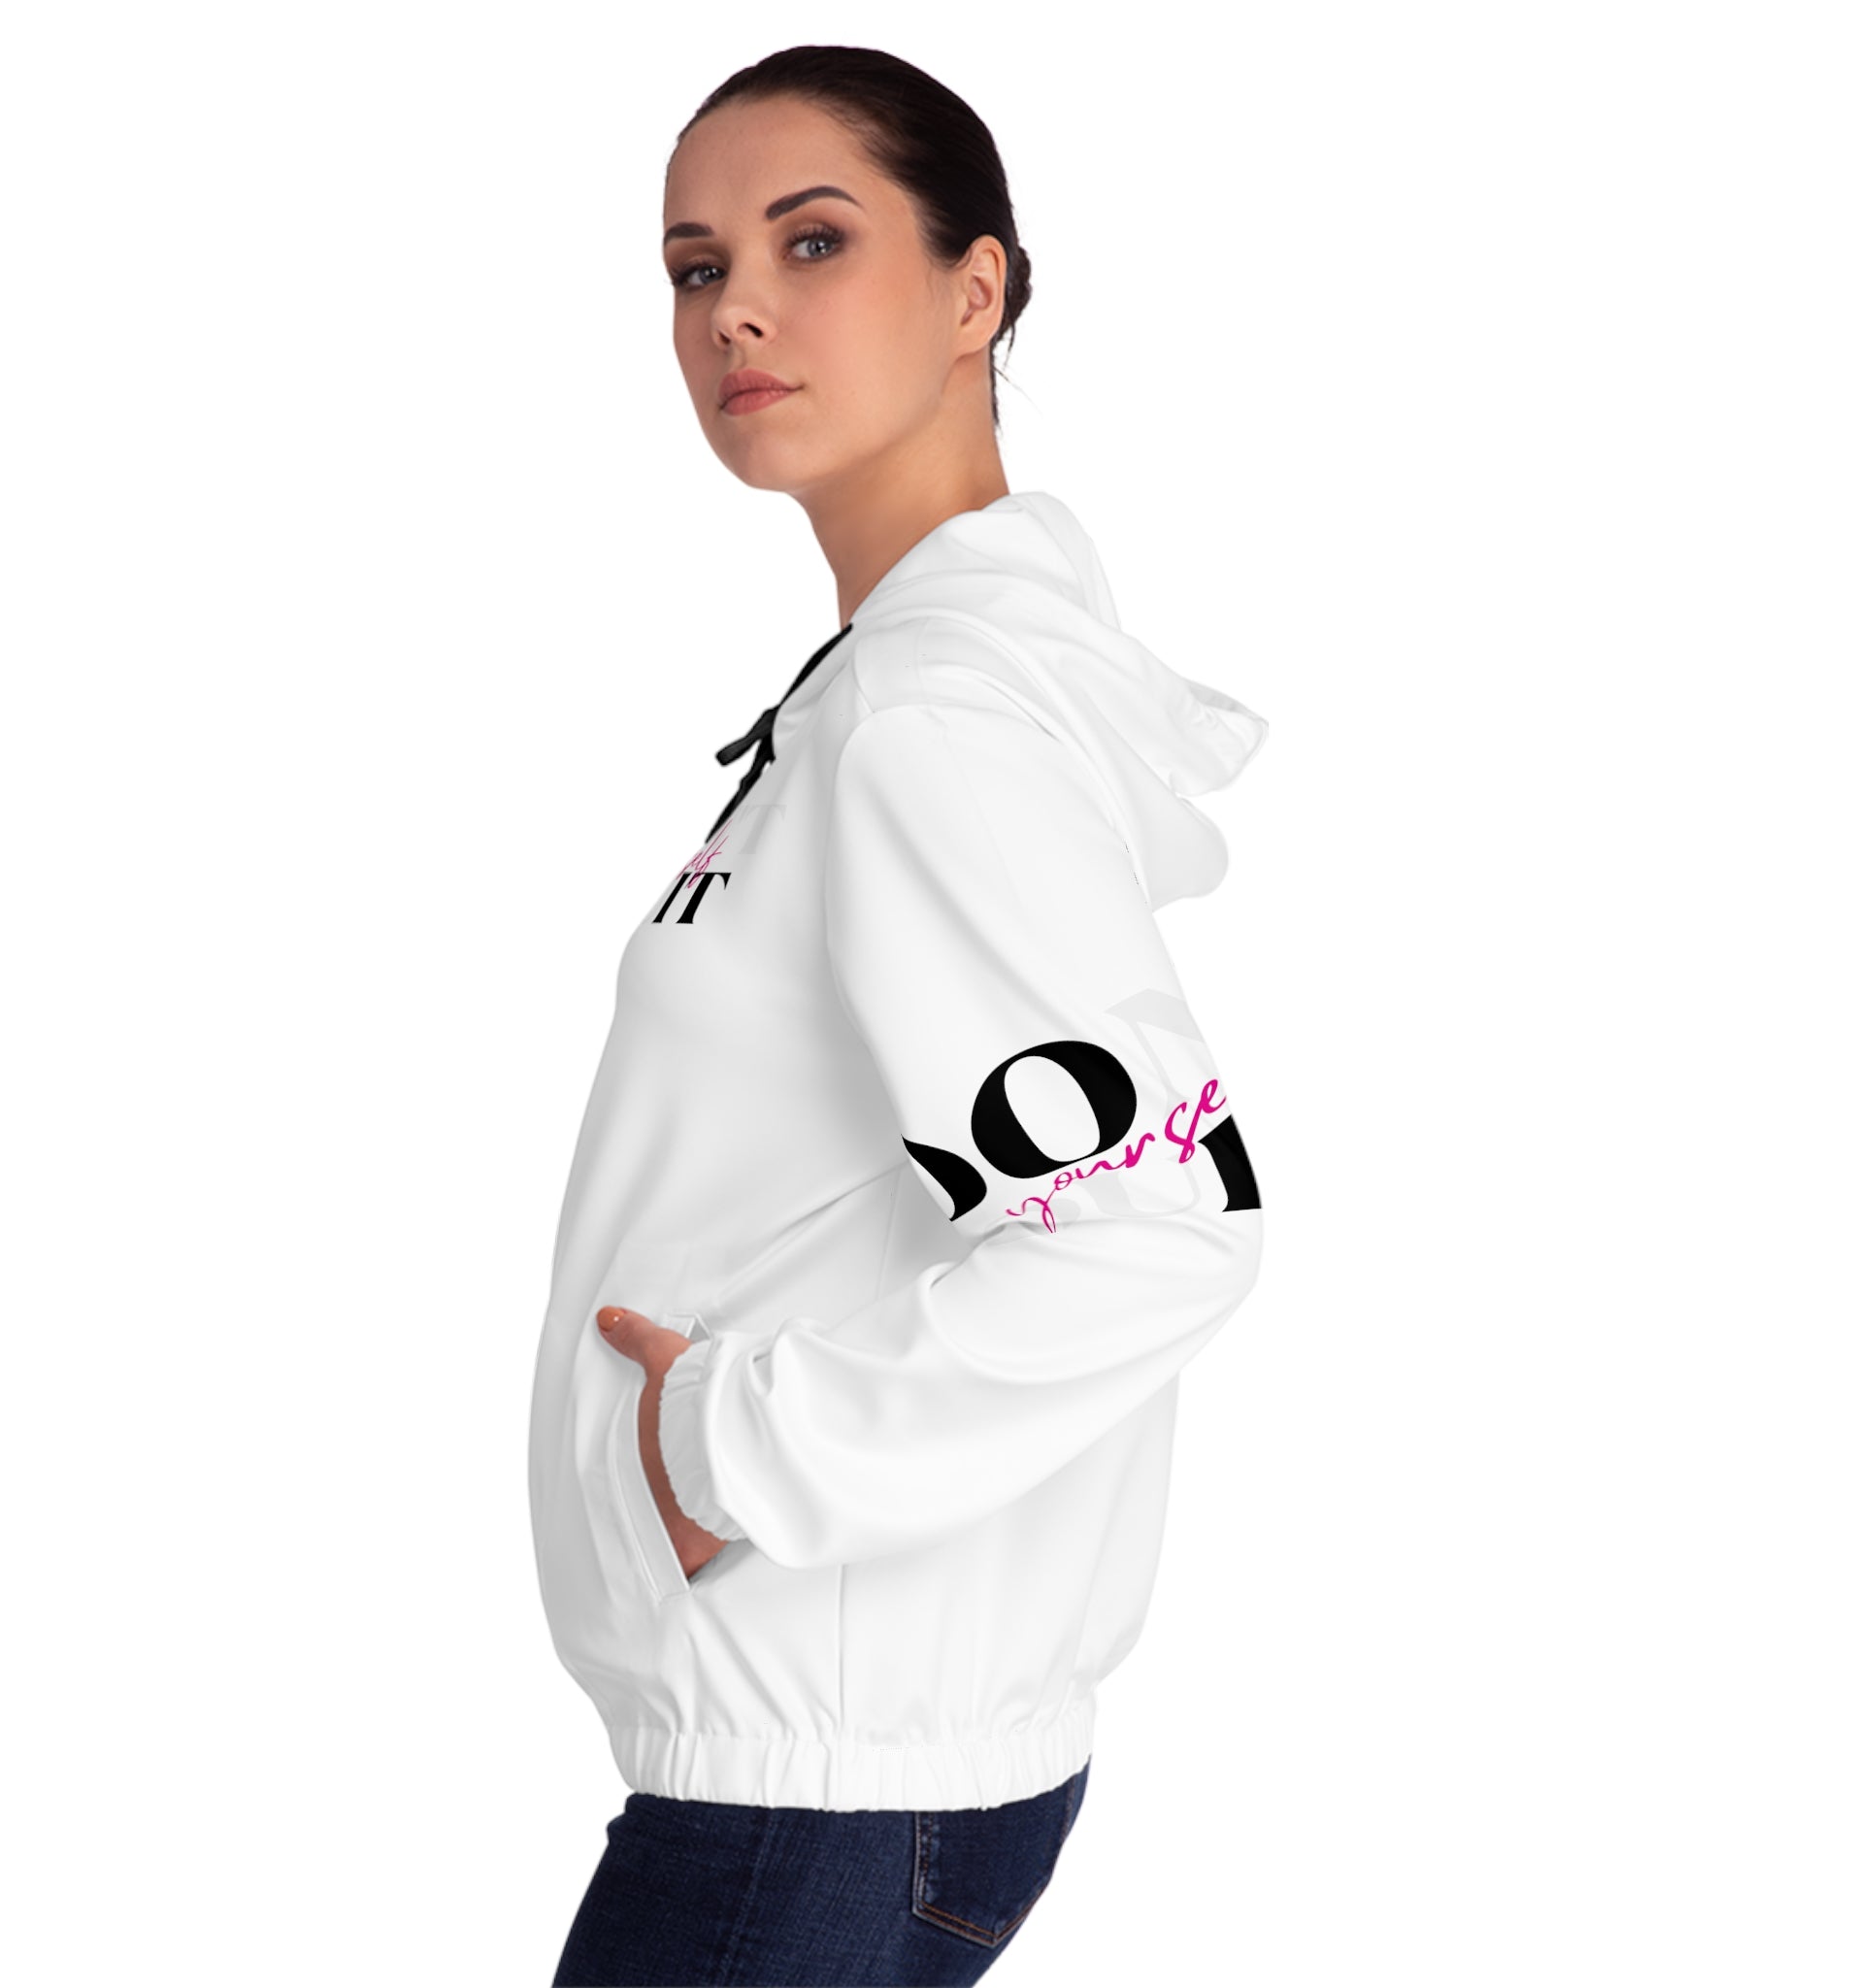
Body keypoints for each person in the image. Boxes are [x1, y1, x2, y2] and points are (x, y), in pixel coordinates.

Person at [531, 44, 1271, 1987]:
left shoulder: (933, 722)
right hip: (840, 1771)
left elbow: (1157, 1225)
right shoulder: (901, 690)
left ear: (975, 290)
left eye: (812, 242)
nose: (735, 310)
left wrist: (723, 1449)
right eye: (695, 267)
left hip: (817, 1792)